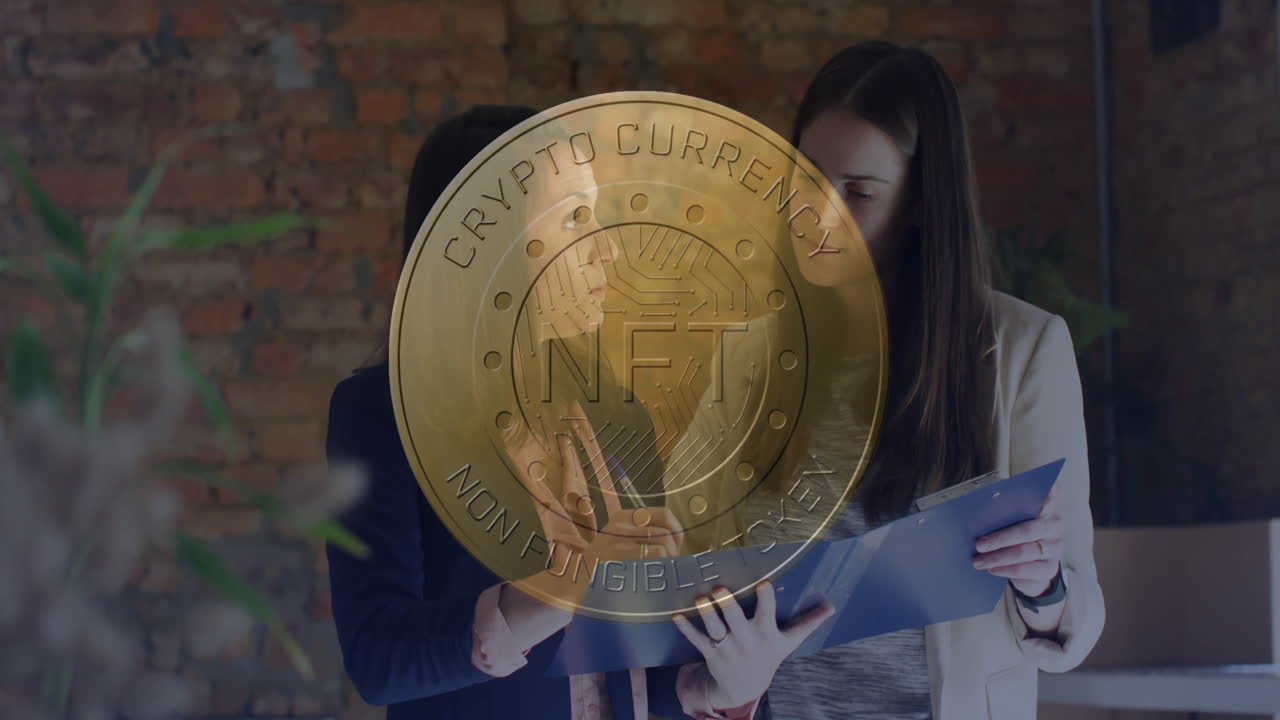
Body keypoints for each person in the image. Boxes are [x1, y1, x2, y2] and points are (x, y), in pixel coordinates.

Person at [324, 105, 832, 720]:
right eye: (573, 220)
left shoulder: (617, 411)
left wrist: (728, 692)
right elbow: (378, 660)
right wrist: (561, 593)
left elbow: (646, 663)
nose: (607, 250)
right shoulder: (380, 416)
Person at [668, 41, 1106, 720]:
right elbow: (690, 561)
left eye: (860, 193)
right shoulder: (748, 357)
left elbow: (1073, 623)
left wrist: (1044, 581)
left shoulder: (1021, 351)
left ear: (921, 202)